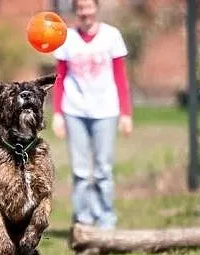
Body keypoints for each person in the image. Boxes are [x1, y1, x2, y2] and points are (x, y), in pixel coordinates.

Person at [52, 0, 133, 230]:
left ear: (96, 8)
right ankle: (83, 220)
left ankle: (106, 219)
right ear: (76, 11)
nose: (85, 12)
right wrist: (57, 114)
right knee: (79, 171)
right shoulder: (67, 38)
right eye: (80, 8)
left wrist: (125, 113)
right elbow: (59, 78)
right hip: (74, 110)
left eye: (88, 7)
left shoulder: (112, 36)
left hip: (106, 110)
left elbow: (120, 77)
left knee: (102, 170)